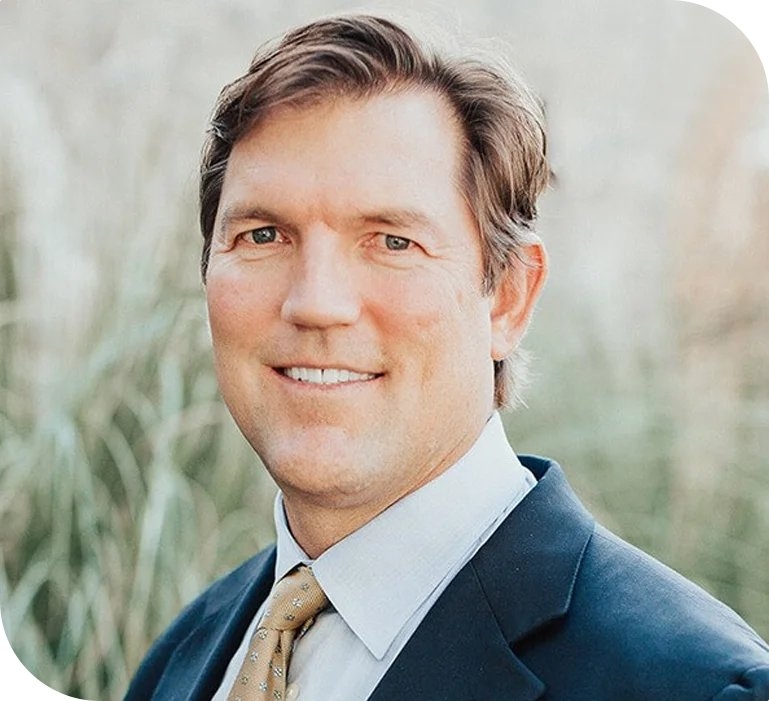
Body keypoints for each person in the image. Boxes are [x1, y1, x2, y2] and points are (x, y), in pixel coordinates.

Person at [125, 13, 769, 701]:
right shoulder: (182, 660)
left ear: (508, 299)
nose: (315, 303)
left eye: (391, 241)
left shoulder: (693, 685)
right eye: (263, 235)